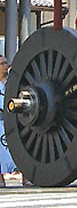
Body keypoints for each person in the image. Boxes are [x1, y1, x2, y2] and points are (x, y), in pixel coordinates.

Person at [0, 56, 17, 186]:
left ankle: (26, 179)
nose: (6, 66)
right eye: (2, 63)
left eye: (6, 63)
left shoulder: (12, 83)